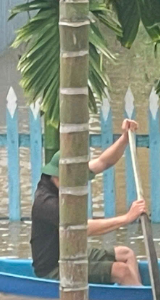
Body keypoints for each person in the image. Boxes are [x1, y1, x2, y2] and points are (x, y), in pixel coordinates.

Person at [30, 120, 146, 286]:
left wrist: (125, 138)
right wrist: (127, 218)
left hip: (74, 253)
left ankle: (135, 294)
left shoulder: (66, 178)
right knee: (121, 271)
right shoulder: (46, 203)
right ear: (58, 176)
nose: (78, 181)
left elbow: (103, 162)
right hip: (54, 268)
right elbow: (84, 228)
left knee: (126, 254)